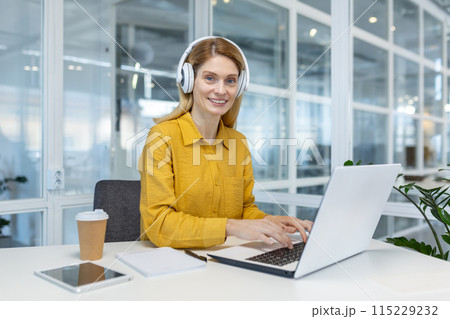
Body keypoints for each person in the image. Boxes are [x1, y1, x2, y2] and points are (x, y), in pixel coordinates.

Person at [139, 36, 312, 249]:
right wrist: (229, 227)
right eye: (210, 78)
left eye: (230, 80)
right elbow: (159, 224)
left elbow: (244, 209)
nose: (221, 90)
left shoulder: (238, 143)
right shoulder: (162, 137)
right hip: (172, 266)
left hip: (225, 260)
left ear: (239, 87)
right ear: (189, 80)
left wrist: (267, 221)